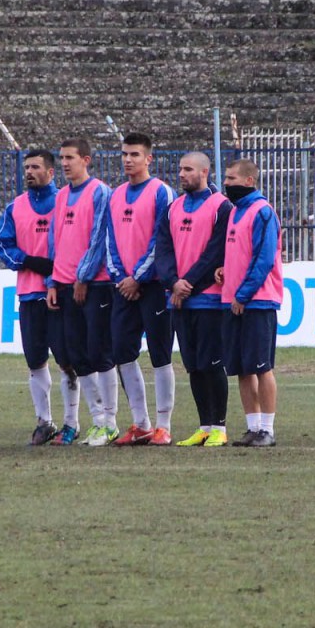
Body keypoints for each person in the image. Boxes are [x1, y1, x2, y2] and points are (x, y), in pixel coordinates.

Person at [0, 148, 82, 446]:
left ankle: (72, 423)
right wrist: (30, 261)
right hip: (30, 295)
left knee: (67, 361)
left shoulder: (65, 201)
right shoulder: (15, 207)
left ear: (51, 172)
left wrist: (56, 270)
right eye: (27, 167)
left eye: (35, 167)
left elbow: (76, 241)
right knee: (35, 361)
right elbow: (2, 244)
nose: (29, 172)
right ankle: (44, 421)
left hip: (62, 293)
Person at [155, 151, 232, 447]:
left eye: (188, 169)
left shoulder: (220, 206)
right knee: (194, 366)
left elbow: (216, 252)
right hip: (179, 299)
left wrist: (187, 285)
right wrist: (173, 283)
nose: (182, 174)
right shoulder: (173, 208)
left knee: (212, 364)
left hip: (208, 299)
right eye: (180, 169)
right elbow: (163, 250)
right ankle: (204, 426)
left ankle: (220, 428)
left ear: (204, 172)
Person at [45, 137, 118, 447]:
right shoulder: (61, 196)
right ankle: (97, 421)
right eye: (61, 158)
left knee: (99, 353)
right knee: (77, 356)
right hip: (64, 286)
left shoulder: (100, 192)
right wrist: (52, 281)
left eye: (70, 158)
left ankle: (110, 423)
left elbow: (99, 238)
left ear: (86, 160)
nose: (64, 163)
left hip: (94, 284)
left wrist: (83, 277)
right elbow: (55, 240)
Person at [105, 133, 176, 446]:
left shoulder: (162, 192)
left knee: (160, 354)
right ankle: (141, 423)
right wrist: (122, 277)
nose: (128, 159)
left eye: (134, 154)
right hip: (124, 288)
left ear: (149, 159)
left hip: (154, 286)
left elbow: (162, 239)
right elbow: (110, 240)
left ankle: (164, 425)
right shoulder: (116, 195)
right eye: (124, 154)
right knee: (122, 351)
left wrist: (139, 277)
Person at [217, 159, 283, 448]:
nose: (226, 183)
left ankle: (267, 429)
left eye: (231, 178)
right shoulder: (235, 212)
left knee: (261, 366)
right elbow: (242, 254)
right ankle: (253, 427)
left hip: (256, 302)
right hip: (233, 301)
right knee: (242, 368)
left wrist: (243, 295)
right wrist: (225, 270)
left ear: (249, 181)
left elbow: (264, 259)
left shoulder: (262, 211)